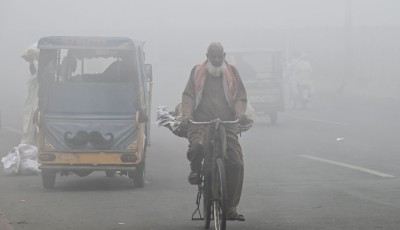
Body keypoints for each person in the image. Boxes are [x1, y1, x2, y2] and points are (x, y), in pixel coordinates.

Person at [181, 42, 247, 221]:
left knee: (236, 163)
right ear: (207, 56)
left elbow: (239, 96)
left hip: (227, 124)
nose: (217, 60)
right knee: (197, 146)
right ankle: (195, 170)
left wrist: (240, 113)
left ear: (224, 56)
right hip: (201, 122)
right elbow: (188, 96)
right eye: (213, 57)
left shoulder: (232, 72)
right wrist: (186, 115)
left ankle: (230, 207)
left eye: (220, 57)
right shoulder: (197, 72)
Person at [20, 43, 40, 145]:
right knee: (28, 130)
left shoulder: (36, 67)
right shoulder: (34, 70)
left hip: (36, 104)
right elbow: (37, 74)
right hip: (33, 104)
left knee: (37, 131)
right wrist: (35, 59)